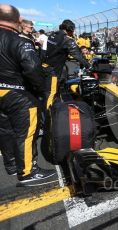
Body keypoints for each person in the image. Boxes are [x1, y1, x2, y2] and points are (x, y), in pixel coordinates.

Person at [0, 4, 56, 186]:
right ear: (17, 22)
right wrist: (40, 90)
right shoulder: (21, 41)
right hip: (18, 94)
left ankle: (11, 164)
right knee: (26, 133)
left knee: (5, 131)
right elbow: (33, 68)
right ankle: (27, 171)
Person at [44, 19, 90, 110]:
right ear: (70, 29)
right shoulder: (67, 40)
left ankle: (56, 111)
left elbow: (57, 50)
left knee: (54, 92)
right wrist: (88, 65)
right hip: (54, 71)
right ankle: (48, 118)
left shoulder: (52, 35)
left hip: (45, 66)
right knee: (51, 95)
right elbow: (78, 55)